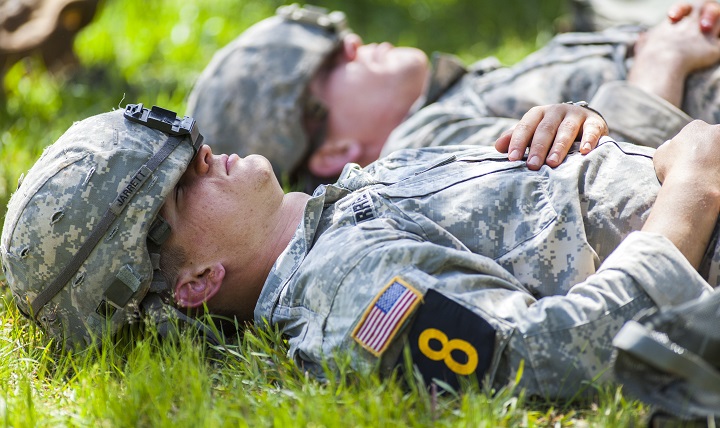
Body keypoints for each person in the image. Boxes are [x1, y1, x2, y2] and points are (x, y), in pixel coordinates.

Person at [4, 101, 718, 401]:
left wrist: (583, 121)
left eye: (179, 147)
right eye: (174, 186)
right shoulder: (345, 287)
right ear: (192, 283)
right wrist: (695, 185)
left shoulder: (341, 205)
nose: (201, 153)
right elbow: (552, 358)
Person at [187, 2, 720, 191]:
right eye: (330, 62)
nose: (351, 42)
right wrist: (663, 59)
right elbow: (603, 185)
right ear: (332, 151)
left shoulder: (446, 102)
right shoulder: (427, 152)